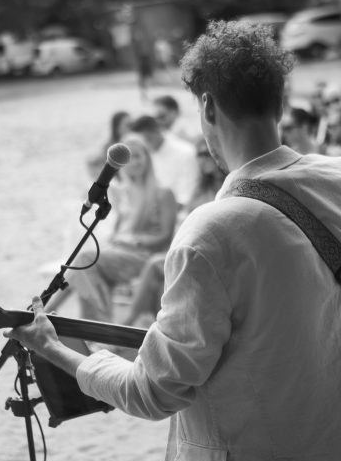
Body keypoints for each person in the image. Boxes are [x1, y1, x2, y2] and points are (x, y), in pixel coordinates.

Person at [6, 20, 341, 461]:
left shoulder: (210, 234)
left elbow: (153, 392)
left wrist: (55, 351)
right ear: (281, 99)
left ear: (207, 107)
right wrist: (330, 320)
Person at [60, 134, 177, 323]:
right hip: (121, 253)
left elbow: (166, 236)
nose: (134, 163)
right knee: (78, 266)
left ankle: (97, 325)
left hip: (145, 256)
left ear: (147, 158)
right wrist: (117, 239)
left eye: (139, 156)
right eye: (130, 159)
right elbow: (118, 228)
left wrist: (134, 240)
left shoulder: (163, 193)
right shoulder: (124, 193)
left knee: (85, 260)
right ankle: (83, 320)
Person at [121, 137, 226, 327]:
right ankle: (156, 331)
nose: (203, 159)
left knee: (155, 266)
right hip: (186, 247)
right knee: (159, 277)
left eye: (207, 153)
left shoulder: (226, 188)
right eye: (199, 155)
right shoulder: (201, 189)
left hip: (205, 251)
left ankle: (127, 325)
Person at [129, 115, 199, 210]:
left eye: (147, 139)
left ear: (156, 131)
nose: (144, 144)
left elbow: (186, 195)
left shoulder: (185, 152)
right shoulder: (145, 155)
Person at [87, 111, 132, 180]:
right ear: (117, 127)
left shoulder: (134, 145)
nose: (131, 128)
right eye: (128, 125)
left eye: (132, 125)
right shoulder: (109, 148)